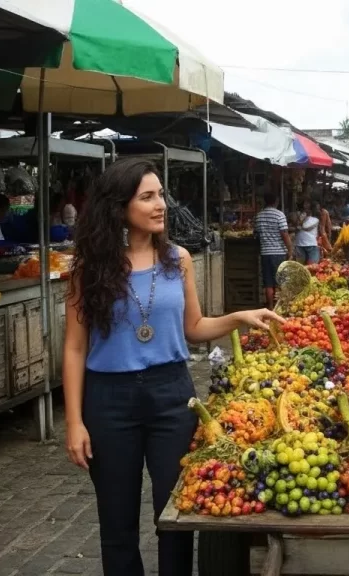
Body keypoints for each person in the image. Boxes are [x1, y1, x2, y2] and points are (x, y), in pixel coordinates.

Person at [62, 158, 283, 576]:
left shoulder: (178, 259)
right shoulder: (89, 268)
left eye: (161, 194)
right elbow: (74, 348)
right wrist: (74, 422)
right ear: (119, 206)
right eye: (147, 197)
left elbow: (195, 327)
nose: (160, 204)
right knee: (117, 521)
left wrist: (240, 316)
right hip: (109, 400)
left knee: (176, 514)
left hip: (171, 395)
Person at [254, 192, 293, 307]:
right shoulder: (279, 215)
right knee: (281, 280)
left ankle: (270, 306)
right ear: (276, 201)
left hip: (265, 253)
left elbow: (256, 233)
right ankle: (280, 306)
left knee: (268, 282)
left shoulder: (259, 216)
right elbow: (284, 233)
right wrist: (290, 249)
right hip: (278, 253)